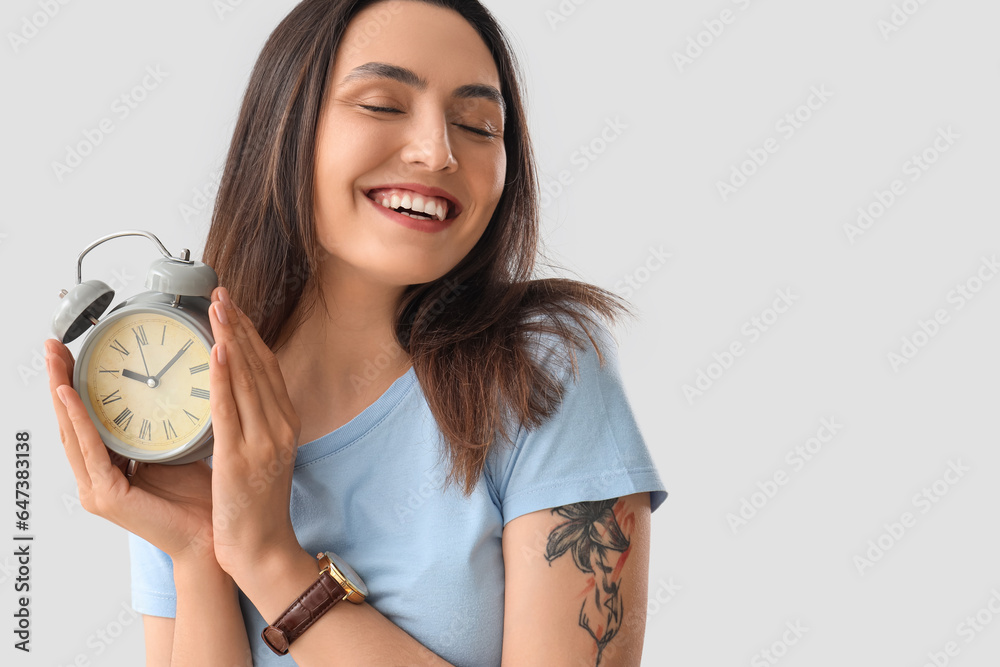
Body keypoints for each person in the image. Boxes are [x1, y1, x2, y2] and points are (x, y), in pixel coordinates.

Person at [44, 0, 668, 664]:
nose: (438, 151)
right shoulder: (186, 401)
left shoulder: (541, 371)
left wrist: (266, 557)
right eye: (382, 104)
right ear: (287, 125)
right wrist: (199, 550)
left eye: (477, 123)